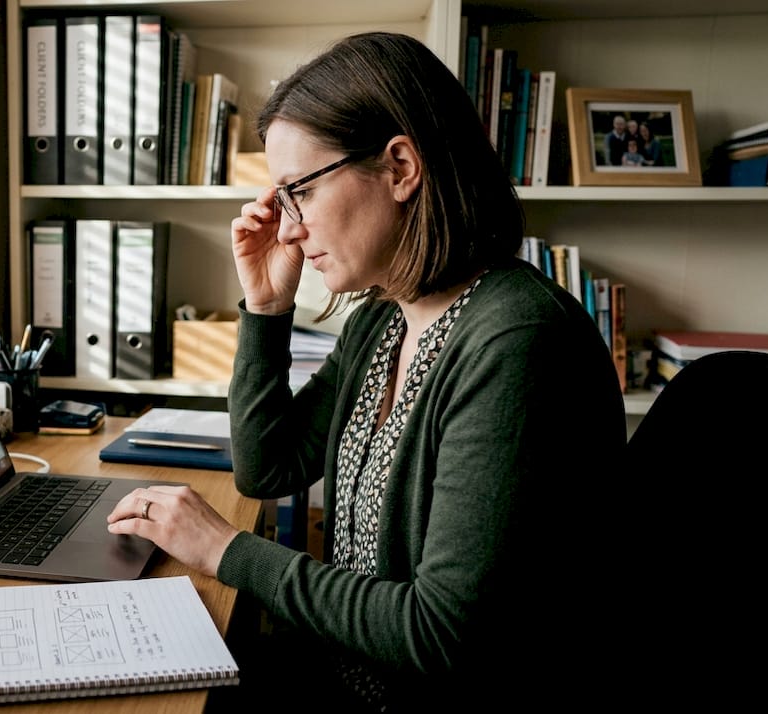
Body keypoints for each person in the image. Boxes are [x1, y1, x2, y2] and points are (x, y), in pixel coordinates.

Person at [106, 31, 627, 712]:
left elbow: (438, 633)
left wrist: (226, 549)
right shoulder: (383, 319)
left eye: (300, 192)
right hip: (342, 673)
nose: (287, 229)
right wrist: (265, 309)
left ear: (400, 167)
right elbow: (268, 468)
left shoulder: (516, 342)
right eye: (281, 200)